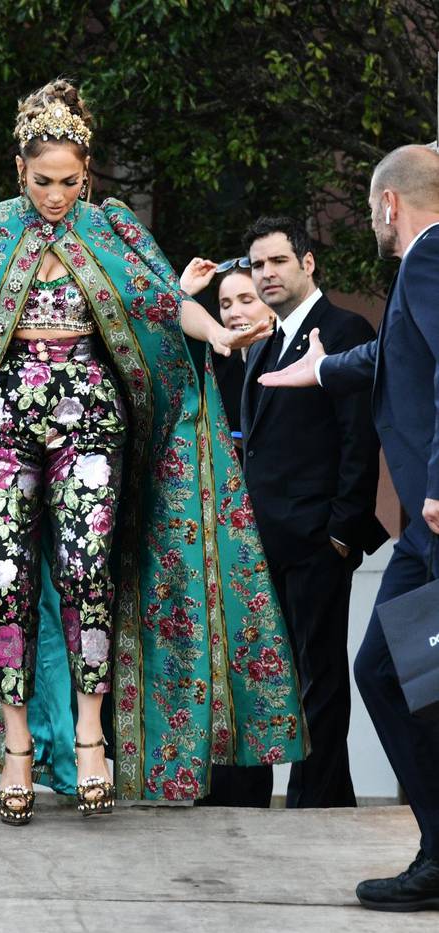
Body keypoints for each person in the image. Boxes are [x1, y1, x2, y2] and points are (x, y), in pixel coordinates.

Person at [0, 78, 307, 825]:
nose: (56, 195)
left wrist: (220, 334)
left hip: (91, 415)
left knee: (89, 566)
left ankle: (92, 735)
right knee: (6, 578)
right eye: (42, 181)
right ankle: (18, 747)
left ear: (86, 171)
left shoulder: (113, 228)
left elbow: (167, 301)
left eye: (69, 181)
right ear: (18, 169)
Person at [258, 145, 439, 911]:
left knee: (387, 673)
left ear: (390, 205)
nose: (371, 221)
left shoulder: (431, 258)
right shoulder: (423, 267)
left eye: (371, 209)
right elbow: (395, 360)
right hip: (425, 533)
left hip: (434, 515)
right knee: (390, 673)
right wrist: (322, 370)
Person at [240, 216, 387, 809]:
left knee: (319, 678)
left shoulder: (344, 328)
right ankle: (314, 794)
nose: (267, 274)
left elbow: (360, 440)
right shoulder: (265, 339)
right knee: (271, 678)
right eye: (257, 265)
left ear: (307, 263)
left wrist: (341, 536)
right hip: (263, 542)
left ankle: (317, 802)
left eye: (278, 261)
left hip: (317, 542)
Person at [180, 256, 273, 447]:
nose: (234, 313)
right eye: (226, 305)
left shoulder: (294, 360)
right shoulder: (215, 365)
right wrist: (183, 291)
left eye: (247, 301)